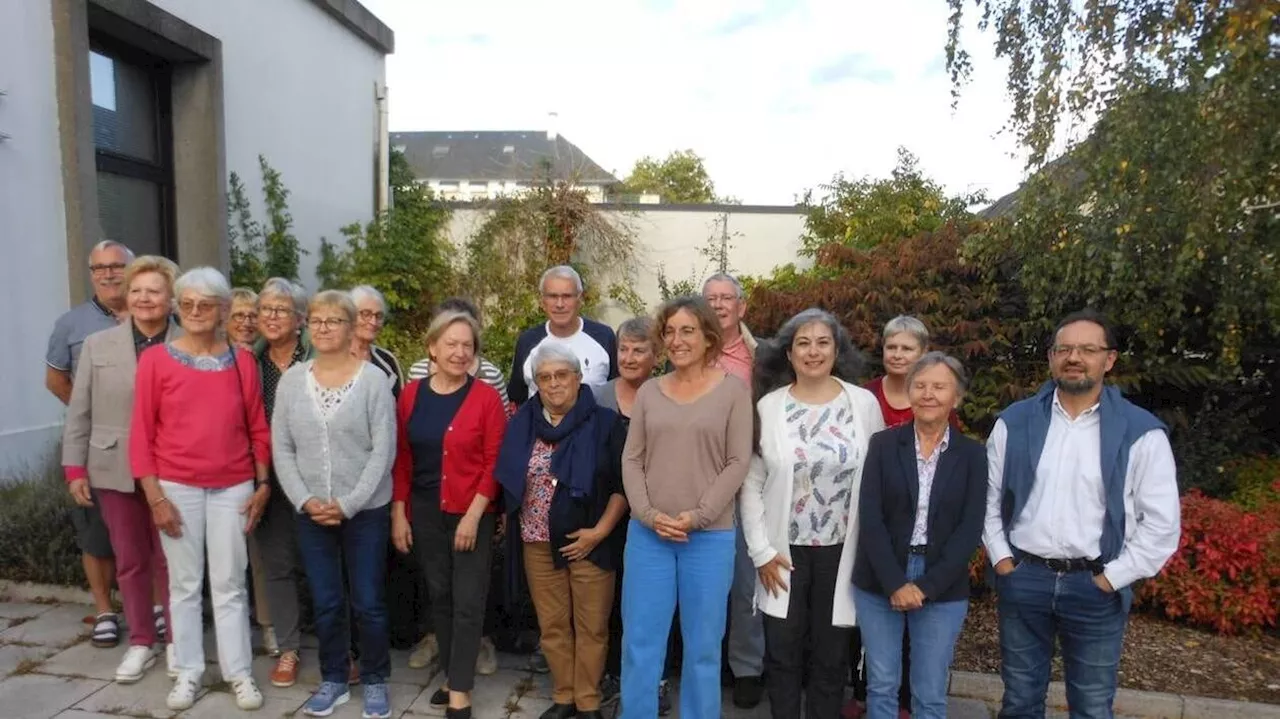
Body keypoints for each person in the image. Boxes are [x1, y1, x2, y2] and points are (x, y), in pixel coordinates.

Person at [984, 311, 1180, 719]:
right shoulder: (1014, 422)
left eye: (1088, 349)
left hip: (1095, 587)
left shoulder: (1142, 433)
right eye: (1065, 349)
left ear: (1109, 360)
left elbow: (1161, 525)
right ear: (1052, 357)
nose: (1074, 357)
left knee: (1091, 706)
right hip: (1025, 580)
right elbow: (987, 500)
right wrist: (1003, 562)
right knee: (1019, 701)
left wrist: (1111, 579)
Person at [129, 266, 271, 711]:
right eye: (186, 303)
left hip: (233, 486)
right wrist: (155, 497)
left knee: (230, 584)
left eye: (205, 305)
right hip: (176, 486)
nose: (194, 312)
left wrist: (263, 482)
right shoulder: (155, 361)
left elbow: (257, 429)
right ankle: (187, 671)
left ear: (223, 311)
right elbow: (141, 436)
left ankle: (239, 673)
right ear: (178, 307)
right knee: (185, 586)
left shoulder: (242, 361)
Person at [740, 308, 885, 719]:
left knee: (831, 656)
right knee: (782, 653)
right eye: (802, 342)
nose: (813, 351)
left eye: (823, 342)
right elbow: (751, 485)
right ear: (788, 354)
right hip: (783, 553)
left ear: (837, 350)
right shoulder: (769, 407)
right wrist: (761, 552)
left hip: (843, 552)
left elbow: (876, 479)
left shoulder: (863, 405)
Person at [620, 296, 754, 719]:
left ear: (709, 336)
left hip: (709, 540)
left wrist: (696, 517)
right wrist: (647, 515)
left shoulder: (734, 392)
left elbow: (738, 462)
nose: (677, 340)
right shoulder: (649, 393)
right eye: (670, 332)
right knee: (641, 645)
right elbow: (632, 459)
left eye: (687, 330)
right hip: (648, 538)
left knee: (702, 649)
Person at [271, 290, 398, 719]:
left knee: (368, 600)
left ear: (351, 328)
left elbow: (384, 451)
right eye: (317, 321)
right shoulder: (292, 381)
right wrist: (305, 500)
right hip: (310, 513)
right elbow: (281, 447)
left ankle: (376, 678)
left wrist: (348, 503)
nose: (324, 328)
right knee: (326, 600)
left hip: (365, 511)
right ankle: (334, 679)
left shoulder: (374, 381)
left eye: (334, 321)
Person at [62, 255, 180, 684]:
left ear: (171, 299)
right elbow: (80, 410)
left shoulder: (189, 342)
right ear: (125, 297)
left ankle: (178, 642)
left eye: (154, 291)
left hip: (173, 469)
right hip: (114, 466)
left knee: (172, 560)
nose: (145, 298)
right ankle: (142, 643)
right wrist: (74, 468)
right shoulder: (99, 345)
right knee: (130, 560)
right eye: (137, 290)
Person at [496, 344, 628, 719]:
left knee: (592, 626)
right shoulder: (523, 422)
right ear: (536, 383)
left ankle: (587, 701)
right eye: (544, 377)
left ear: (578, 377)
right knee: (552, 625)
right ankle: (564, 695)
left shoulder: (605, 422)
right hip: (536, 540)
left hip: (588, 541)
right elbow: (509, 477)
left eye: (561, 375)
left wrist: (598, 533)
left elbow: (623, 487)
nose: (553, 384)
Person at [854, 352, 987, 719]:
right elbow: (871, 517)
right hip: (880, 576)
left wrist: (926, 586)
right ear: (909, 392)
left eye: (939, 387)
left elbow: (970, 528)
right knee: (881, 684)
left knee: (929, 691)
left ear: (956, 397)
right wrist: (895, 583)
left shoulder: (973, 455)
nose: (929, 394)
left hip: (942, 584)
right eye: (920, 385)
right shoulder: (883, 445)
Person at [391, 310, 508, 719]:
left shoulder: (487, 398)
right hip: (424, 512)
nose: (460, 352)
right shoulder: (410, 396)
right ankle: (450, 674)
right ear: (432, 349)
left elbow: (496, 462)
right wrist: (399, 513)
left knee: (468, 601)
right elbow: (403, 460)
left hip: (471, 511)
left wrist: (475, 516)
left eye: (467, 346)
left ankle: (460, 689)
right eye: (452, 344)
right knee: (438, 596)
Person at [855, 314, 955, 718]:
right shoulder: (865, 397)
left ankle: (909, 703)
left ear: (924, 352)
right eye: (891, 347)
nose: (897, 354)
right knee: (875, 647)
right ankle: (865, 696)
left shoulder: (941, 409)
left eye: (907, 348)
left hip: (926, 538)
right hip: (875, 524)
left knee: (923, 652)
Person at [45, 239, 133, 648]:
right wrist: (93, 420)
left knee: (146, 531)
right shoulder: (71, 323)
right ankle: (104, 611)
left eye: (116, 266)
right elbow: (56, 380)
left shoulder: (153, 315)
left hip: (151, 446)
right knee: (96, 534)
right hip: (97, 447)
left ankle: (149, 610)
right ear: (91, 273)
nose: (108, 274)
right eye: (99, 268)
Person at [592, 317, 676, 715]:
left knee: (651, 605)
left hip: (652, 515)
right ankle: (611, 675)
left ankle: (655, 680)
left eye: (639, 350)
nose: (629, 357)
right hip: (605, 515)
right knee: (609, 601)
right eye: (623, 349)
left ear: (655, 357)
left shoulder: (667, 395)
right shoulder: (597, 397)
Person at [701, 272, 766, 708]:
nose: (720, 305)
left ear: (742, 307)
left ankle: (746, 666)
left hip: (748, 480)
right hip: (698, 477)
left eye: (728, 298)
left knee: (746, 579)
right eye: (712, 298)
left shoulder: (765, 358)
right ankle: (704, 662)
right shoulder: (686, 352)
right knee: (704, 580)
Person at [251, 277, 312, 683]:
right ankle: (288, 649)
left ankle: (342, 645)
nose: (271, 317)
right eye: (266, 310)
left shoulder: (316, 359)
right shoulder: (246, 362)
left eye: (281, 310)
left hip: (313, 478)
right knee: (277, 566)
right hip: (266, 478)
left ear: (300, 319)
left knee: (326, 564)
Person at [509, 266, 618, 405]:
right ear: (543, 301)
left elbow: (618, 391)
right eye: (553, 296)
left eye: (567, 296)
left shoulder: (603, 337)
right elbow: (517, 398)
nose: (560, 304)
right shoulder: (528, 341)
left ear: (579, 299)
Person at [350, 285, 403, 398]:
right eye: (366, 314)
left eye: (378, 316)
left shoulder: (388, 361)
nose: (373, 322)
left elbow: (400, 408)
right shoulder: (333, 357)